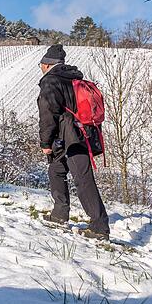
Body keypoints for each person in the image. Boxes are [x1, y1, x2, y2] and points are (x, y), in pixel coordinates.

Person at [37, 44, 110, 240]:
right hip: (82, 133)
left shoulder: (50, 81)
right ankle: (60, 213)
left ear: (47, 65)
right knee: (56, 169)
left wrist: (45, 143)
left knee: (83, 179)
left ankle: (99, 226)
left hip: (71, 137)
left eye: (41, 65)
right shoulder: (75, 79)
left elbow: (47, 114)